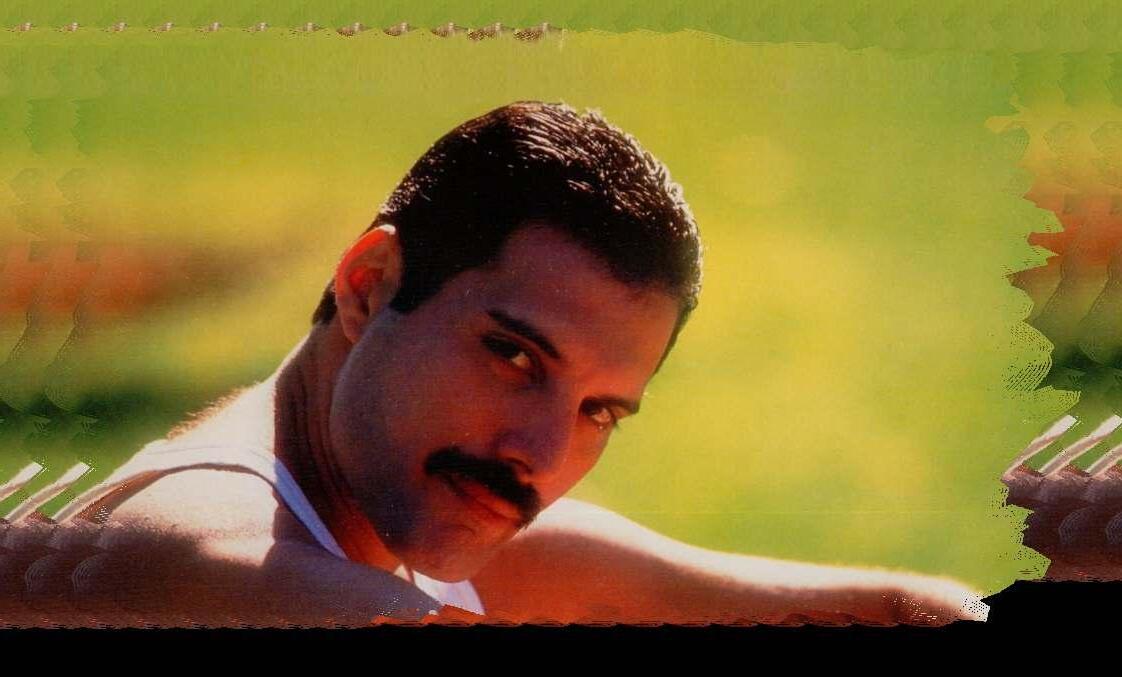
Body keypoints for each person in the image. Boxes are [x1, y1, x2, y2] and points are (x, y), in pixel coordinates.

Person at [6, 101, 988, 627]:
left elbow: (904, 612)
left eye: (600, 410)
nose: (541, 454)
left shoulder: (422, 516)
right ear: (367, 285)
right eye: (515, 355)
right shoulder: (195, 550)